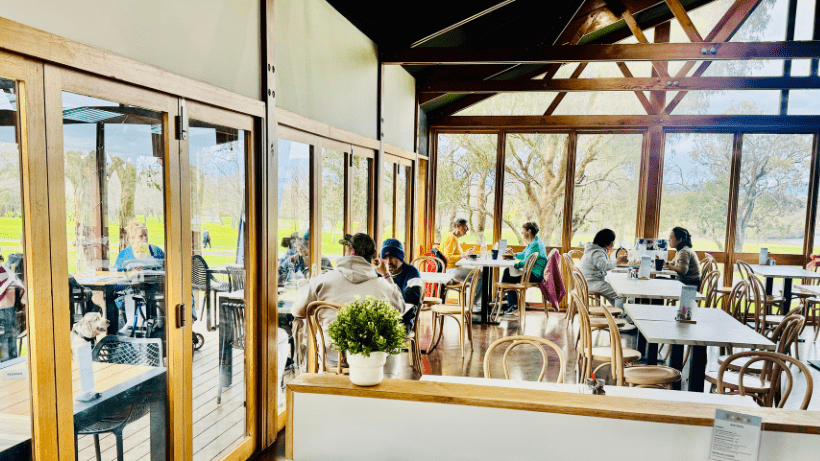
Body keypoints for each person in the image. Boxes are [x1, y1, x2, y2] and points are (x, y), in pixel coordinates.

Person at [292, 233, 406, 346]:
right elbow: (400, 309)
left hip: (332, 358)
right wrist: (386, 275)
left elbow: (297, 311)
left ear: (352, 252)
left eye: (346, 249)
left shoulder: (323, 280)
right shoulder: (383, 286)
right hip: (370, 359)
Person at [500, 222, 548, 314]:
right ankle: (509, 301)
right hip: (534, 272)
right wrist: (513, 255)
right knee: (508, 272)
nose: (522, 233)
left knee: (508, 274)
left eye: (523, 231)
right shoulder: (535, 242)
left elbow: (526, 262)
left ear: (529, 231)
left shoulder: (535, 245)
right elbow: (524, 255)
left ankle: (511, 303)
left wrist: (514, 264)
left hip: (535, 275)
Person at [577, 229, 628, 308]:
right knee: (620, 294)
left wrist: (615, 262)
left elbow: (602, 263)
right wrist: (617, 262)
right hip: (591, 283)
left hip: (587, 281)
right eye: (612, 241)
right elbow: (604, 266)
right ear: (607, 241)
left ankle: (619, 314)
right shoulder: (597, 252)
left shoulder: (594, 249)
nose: (613, 243)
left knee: (614, 295)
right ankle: (620, 317)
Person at [381, 238, 424, 329]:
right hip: (380, 317)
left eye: (392, 257)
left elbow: (413, 298)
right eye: (385, 258)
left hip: (403, 320)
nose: (388, 262)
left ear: (400, 258)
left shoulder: (412, 272)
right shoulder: (378, 272)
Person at [439, 218, 481, 308]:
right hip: (450, 270)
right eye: (465, 227)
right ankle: (472, 304)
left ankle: (471, 303)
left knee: (478, 273)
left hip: (453, 268)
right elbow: (447, 257)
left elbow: (454, 255)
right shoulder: (451, 238)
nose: (467, 230)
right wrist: (463, 256)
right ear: (458, 226)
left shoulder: (454, 238)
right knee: (479, 274)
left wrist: (465, 254)